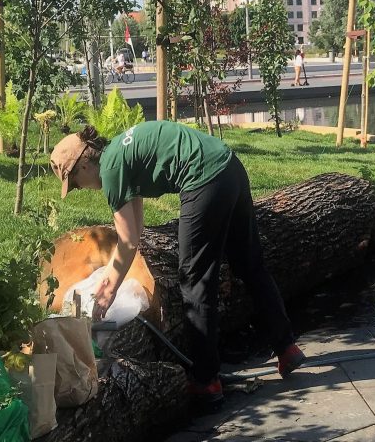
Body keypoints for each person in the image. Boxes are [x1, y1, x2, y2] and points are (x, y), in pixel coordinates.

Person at [49, 121, 305, 408]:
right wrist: (111, 276)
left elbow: (128, 241)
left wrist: (108, 292)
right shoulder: (119, 153)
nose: (79, 189)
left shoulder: (110, 170)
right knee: (249, 264)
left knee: (194, 282)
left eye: (74, 183)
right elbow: (136, 230)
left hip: (204, 180)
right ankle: (286, 347)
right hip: (229, 166)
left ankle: (206, 380)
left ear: (83, 164)